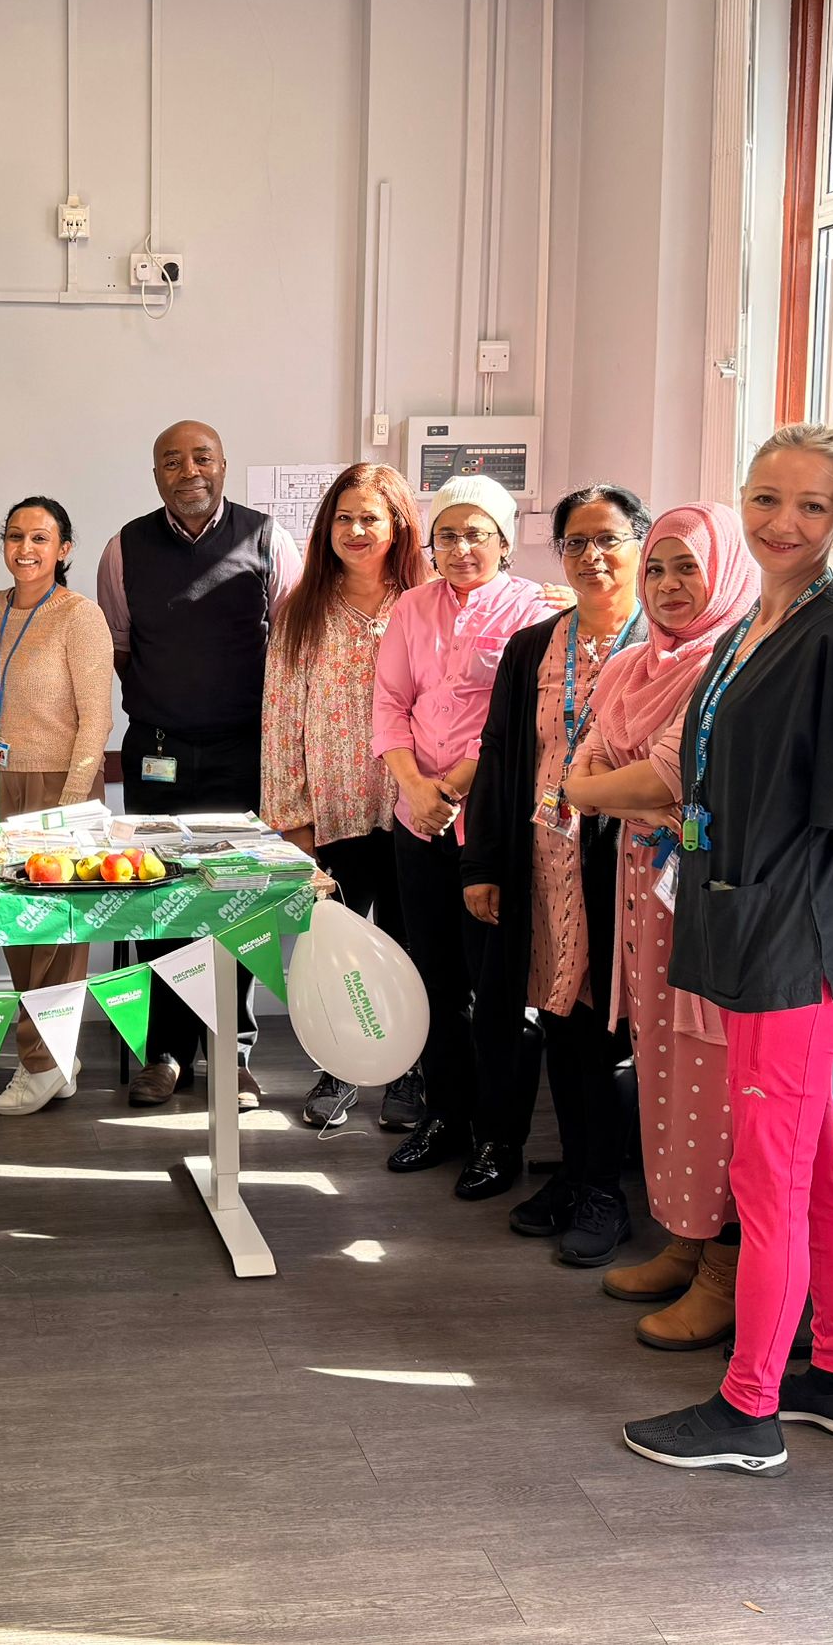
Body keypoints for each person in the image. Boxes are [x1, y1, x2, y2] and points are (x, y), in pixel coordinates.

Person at [608, 424, 833, 1474]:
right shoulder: (746, 628)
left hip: (796, 943)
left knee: (769, 1182)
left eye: (811, 507)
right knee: (814, 1172)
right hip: (744, 922)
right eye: (766, 498)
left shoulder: (832, 636)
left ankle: (749, 1408)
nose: (783, 523)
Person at [564, 503, 757, 1349]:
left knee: (715, 1082)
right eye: (659, 568)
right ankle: (684, 1239)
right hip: (645, 892)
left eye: (688, 566)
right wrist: (610, 786)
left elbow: (664, 778)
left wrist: (607, 789)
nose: (670, 585)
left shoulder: (731, 663)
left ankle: (725, 1273)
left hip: (707, 903)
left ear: (727, 572)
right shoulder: (633, 665)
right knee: (663, 1071)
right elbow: (588, 762)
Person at [462, 486, 649, 1256]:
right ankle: (578, 1174)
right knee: (563, 1022)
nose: (591, 556)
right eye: (575, 542)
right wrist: (482, 863)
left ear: (640, 544)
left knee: (612, 1031)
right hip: (544, 866)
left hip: (631, 874)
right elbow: (498, 754)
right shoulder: (534, 646)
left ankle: (606, 1191)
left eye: (608, 539)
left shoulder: (664, 643)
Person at [98, 420, 302, 1111]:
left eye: (202, 458)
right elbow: (120, 649)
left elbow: (291, 649)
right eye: (172, 461)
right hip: (157, 756)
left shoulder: (267, 539)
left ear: (223, 465)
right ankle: (164, 1053)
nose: (189, 471)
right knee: (161, 900)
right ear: (155, 474)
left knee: (236, 904)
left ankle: (231, 1053)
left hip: (245, 753)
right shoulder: (124, 548)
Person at [372, 473, 564, 1188]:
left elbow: (519, 724)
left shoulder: (535, 611)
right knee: (435, 980)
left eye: (475, 534)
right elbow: (389, 705)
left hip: (491, 824)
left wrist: (451, 788)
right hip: (417, 820)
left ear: (505, 541)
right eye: (445, 536)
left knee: (498, 987)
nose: (459, 549)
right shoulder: (411, 607)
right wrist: (416, 789)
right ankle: (445, 1117)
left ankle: (499, 1138)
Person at [262, 462, 427, 1131]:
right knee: (335, 953)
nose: (356, 531)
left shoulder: (425, 603)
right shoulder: (301, 609)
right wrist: (292, 822)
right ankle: (339, 1066)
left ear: (399, 527)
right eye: (344, 518)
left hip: (412, 807)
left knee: (411, 943)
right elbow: (280, 718)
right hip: (332, 813)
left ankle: (410, 1070)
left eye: (371, 518)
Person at [0, 496, 115, 1116]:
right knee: (15, 926)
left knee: (56, 933)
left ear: (64, 549)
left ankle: (40, 1063)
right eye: (15, 536)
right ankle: (55, 1055)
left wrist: (70, 804)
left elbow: (97, 718)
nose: (25, 548)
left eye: (40, 538)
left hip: (61, 786)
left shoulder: (80, 616)